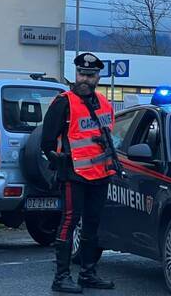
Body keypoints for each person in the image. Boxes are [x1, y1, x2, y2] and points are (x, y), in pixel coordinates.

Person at [41, 52, 116, 293]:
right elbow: (47, 142)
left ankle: (88, 274)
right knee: (69, 222)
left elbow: (109, 137)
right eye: (82, 74)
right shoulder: (63, 102)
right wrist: (59, 162)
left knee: (93, 224)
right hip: (74, 175)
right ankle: (61, 277)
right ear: (76, 74)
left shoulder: (104, 104)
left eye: (91, 75)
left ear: (98, 78)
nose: (85, 79)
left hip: (100, 174)